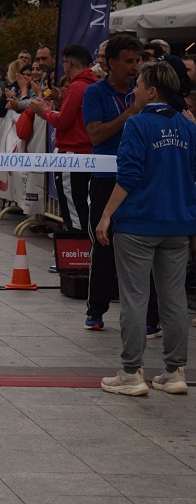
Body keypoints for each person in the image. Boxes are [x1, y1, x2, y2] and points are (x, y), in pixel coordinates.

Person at [96, 62, 196, 396]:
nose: (134, 90)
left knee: (135, 299)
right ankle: (175, 371)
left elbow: (129, 176)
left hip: (138, 221)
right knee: (174, 299)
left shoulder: (137, 124)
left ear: (152, 90)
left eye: (138, 85)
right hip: (178, 222)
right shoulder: (187, 125)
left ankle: (131, 373)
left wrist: (107, 214)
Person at [82, 35, 144, 330]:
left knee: (144, 244)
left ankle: (150, 317)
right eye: (129, 61)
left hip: (140, 179)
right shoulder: (96, 92)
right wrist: (130, 113)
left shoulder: (144, 90)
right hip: (106, 178)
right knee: (104, 243)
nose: (135, 67)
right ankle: (96, 311)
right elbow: (95, 134)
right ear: (111, 63)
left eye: (138, 60)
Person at [28, 45, 98, 231]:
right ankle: (83, 249)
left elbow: (63, 121)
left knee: (73, 206)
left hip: (72, 152)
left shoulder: (77, 86)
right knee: (81, 203)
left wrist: (45, 112)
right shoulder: (91, 85)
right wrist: (60, 103)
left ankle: (78, 250)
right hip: (85, 152)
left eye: (63, 63)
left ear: (69, 64)